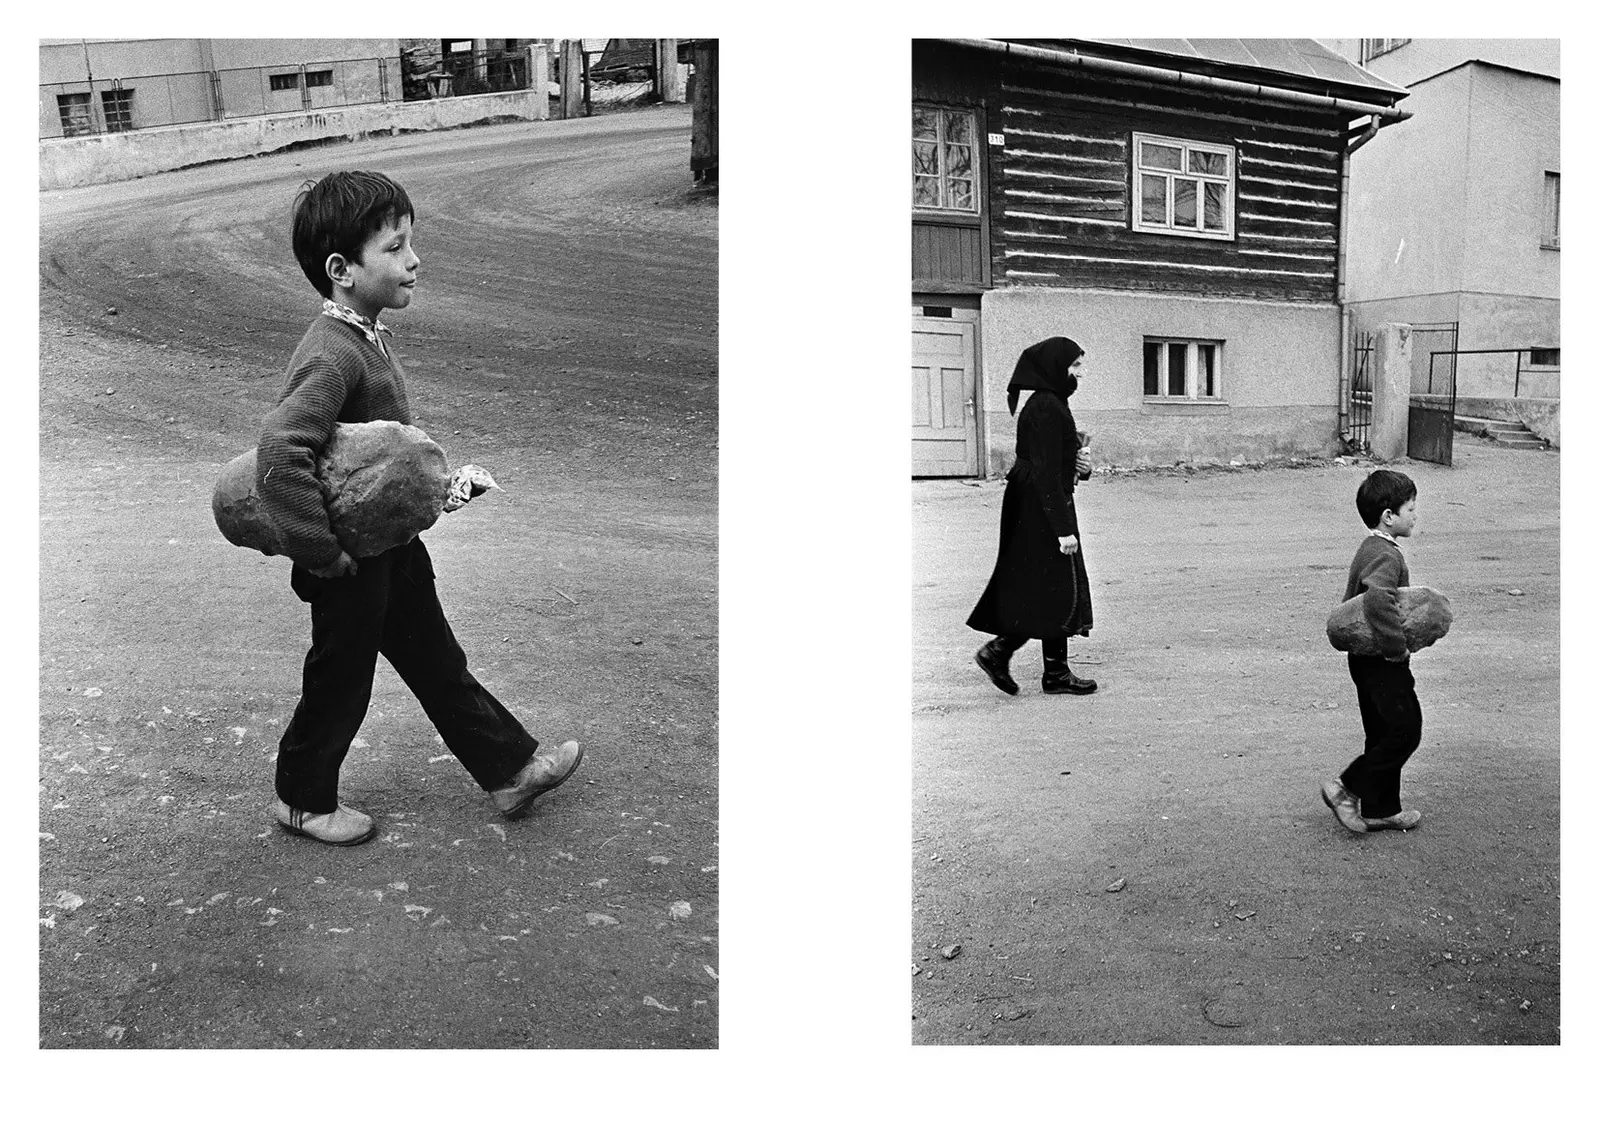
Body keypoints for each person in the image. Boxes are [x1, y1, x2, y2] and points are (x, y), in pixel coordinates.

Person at [258, 170, 583, 846]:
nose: (414, 261)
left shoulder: (364, 337)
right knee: (340, 681)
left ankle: (510, 770)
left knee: (437, 661)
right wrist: (323, 553)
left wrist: (438, 491)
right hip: (348, 563)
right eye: (397, 248)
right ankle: (301, 798)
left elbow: (378, 458)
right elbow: (279, 454)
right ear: (342, 270)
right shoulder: (330, 354)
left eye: (412, 244)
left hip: (390, 550)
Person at [967, 337, 1096, 696]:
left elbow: (1058, 464)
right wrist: (1064, 530)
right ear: (1056, 367)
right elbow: (1044, 475)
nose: (1080, 374)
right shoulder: (1045, 408)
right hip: (1036, 506)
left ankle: (1052, 672)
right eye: (1075, 366)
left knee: (1049, 584)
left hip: (1036, 501)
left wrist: (1082, 467)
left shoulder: (1052, 404)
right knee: (1048, 583)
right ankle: (1000, 652)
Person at [1320, 469, 1423, 834]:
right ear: (1388, 516)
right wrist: (1397, 650)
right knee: (1406, 731)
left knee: (1380, 732)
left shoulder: (1372, 547)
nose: (1415, 515)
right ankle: (1346, 788)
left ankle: (1380, 808)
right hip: (1381, 659)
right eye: (1410, 508)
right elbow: (1378, 600)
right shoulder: (1387, 556)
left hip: (1362, 658)